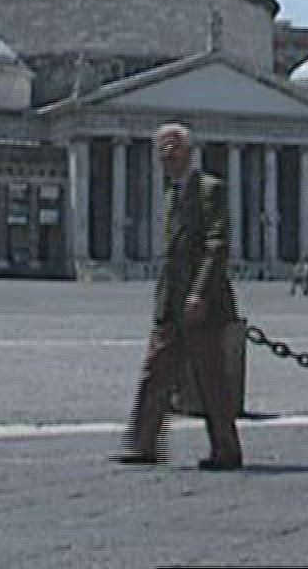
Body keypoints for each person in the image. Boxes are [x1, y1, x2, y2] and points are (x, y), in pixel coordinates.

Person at [114, 123, 243, 471]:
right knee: (155, 371)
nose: (167, 154)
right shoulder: (170, 193)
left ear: (189, 151)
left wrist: (199, 292)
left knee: (210, 378)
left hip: (202, 302)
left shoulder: (210, 189)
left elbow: (216, 245)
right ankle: (143, 444)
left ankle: (226, 449)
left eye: (174, 147)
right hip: (171, 301)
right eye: (162, 149)